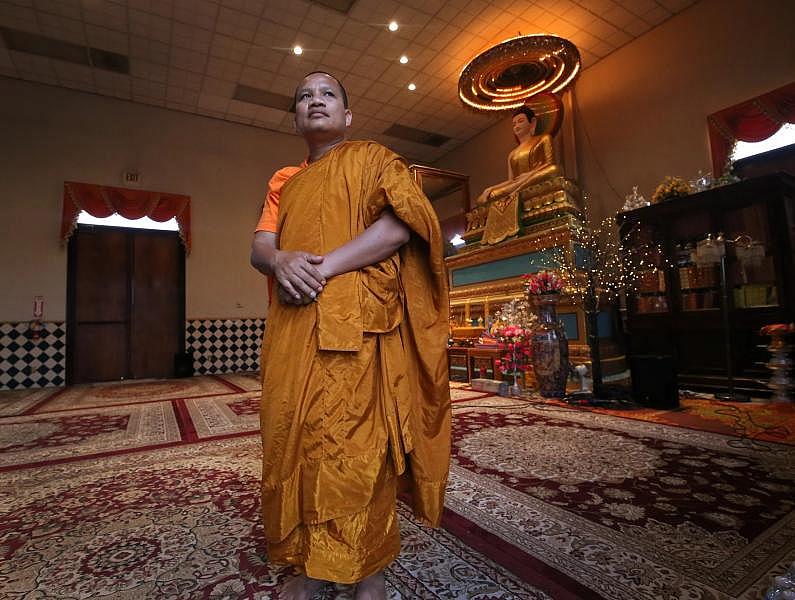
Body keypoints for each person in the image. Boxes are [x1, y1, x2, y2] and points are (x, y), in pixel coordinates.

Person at [250, 72, 451, 600]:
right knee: (292, 438)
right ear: (296, 116)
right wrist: (279, 260)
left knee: (357, 445)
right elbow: (260, 248)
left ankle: (369, 569)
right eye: (304, 95)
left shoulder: (372, 159)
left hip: (358, 323)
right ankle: (309, 565)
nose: (315, 100)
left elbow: (399, 227)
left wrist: (320, 268)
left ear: (347, 116)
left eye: (327, 94)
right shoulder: (284, 180)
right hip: (293, 323)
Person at [475, 105, 562, 206]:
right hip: (518, 184)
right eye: (514, 124)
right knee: (487, 197)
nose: (516, 126)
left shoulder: (544, 139)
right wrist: (490, 189)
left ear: (532, 123)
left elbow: (550, 164)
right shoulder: (512, 154)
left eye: (520, 121)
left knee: (554, 169)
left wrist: (529, 175)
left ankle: (515, 194)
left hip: (535, 178)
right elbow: (512, 180)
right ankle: (516, 192)